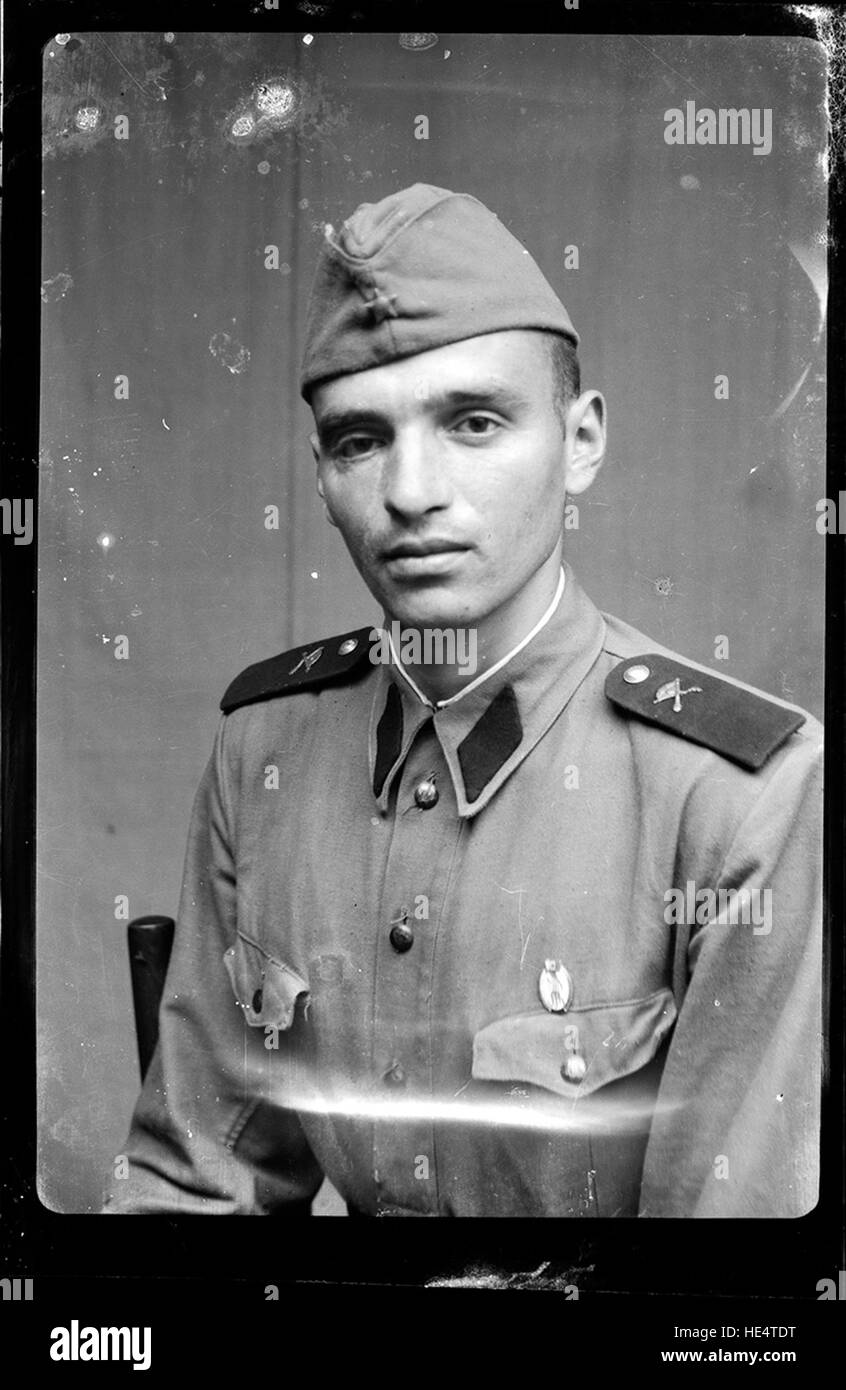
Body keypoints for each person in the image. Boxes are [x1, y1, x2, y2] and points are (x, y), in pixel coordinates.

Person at [105, 184, 822, 1218]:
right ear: (319, 475)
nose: (410, 490)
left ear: (582, 441)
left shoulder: (743, 792)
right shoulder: (263, 752)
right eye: (361, 439)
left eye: (474, 421)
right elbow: (191, 1187)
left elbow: (723, 1301)